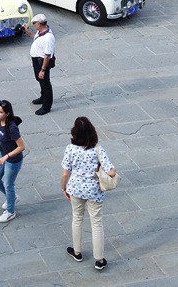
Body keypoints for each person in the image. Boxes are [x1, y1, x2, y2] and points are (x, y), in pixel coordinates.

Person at [60, 116, 115, 271]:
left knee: (77, 218)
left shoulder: (70, 149)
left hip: (75, 188)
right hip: (94, 190)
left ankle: (77, 252)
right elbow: (111, 171)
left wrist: (63, 188)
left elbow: (65, 174)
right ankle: (99, 260)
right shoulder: (97, 149)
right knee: (96, 223)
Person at [23, 14, 54, 115]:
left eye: (34, 24)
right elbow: (34, 37)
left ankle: (46, 106)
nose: (33, 25)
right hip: (37, 60)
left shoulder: (48, 38)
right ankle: (43, 97)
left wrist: (43, 70)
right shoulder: (40, 32)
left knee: (45, 83)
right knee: (40, 80)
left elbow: (47, 56)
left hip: (42, 62)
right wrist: (27, 31)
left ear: (40, 24)